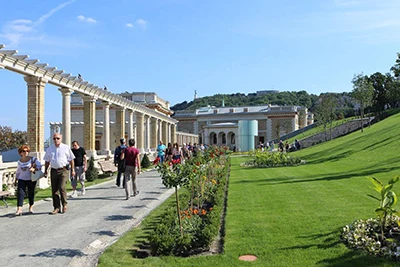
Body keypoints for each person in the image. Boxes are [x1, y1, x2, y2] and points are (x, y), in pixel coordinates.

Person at [43, 133, 75, 215]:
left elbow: (71, 159)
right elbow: (47, 161)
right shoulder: (50, 149)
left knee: (61, 187)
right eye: (54, 138)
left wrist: (73, 170)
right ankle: (56, 207)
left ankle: (64, 204)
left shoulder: (66, 148)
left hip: (63, 170)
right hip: (54, 170)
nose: (56, 140)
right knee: (54, 190)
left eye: (57, 138)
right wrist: (45, 170)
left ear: (61, 139)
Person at [14, 145, 42, 216]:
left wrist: (34, 169)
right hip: (21, 179)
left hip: (31, 179)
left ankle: (31, 207)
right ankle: (19, 209)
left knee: (31, 193)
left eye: (27, 151)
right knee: (20, 193)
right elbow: (18, 171)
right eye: (24, 151)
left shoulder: (33, 159)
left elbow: (39, 166)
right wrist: (16, 179)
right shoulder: (19, 161)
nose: (26, 152)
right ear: (20, 153)